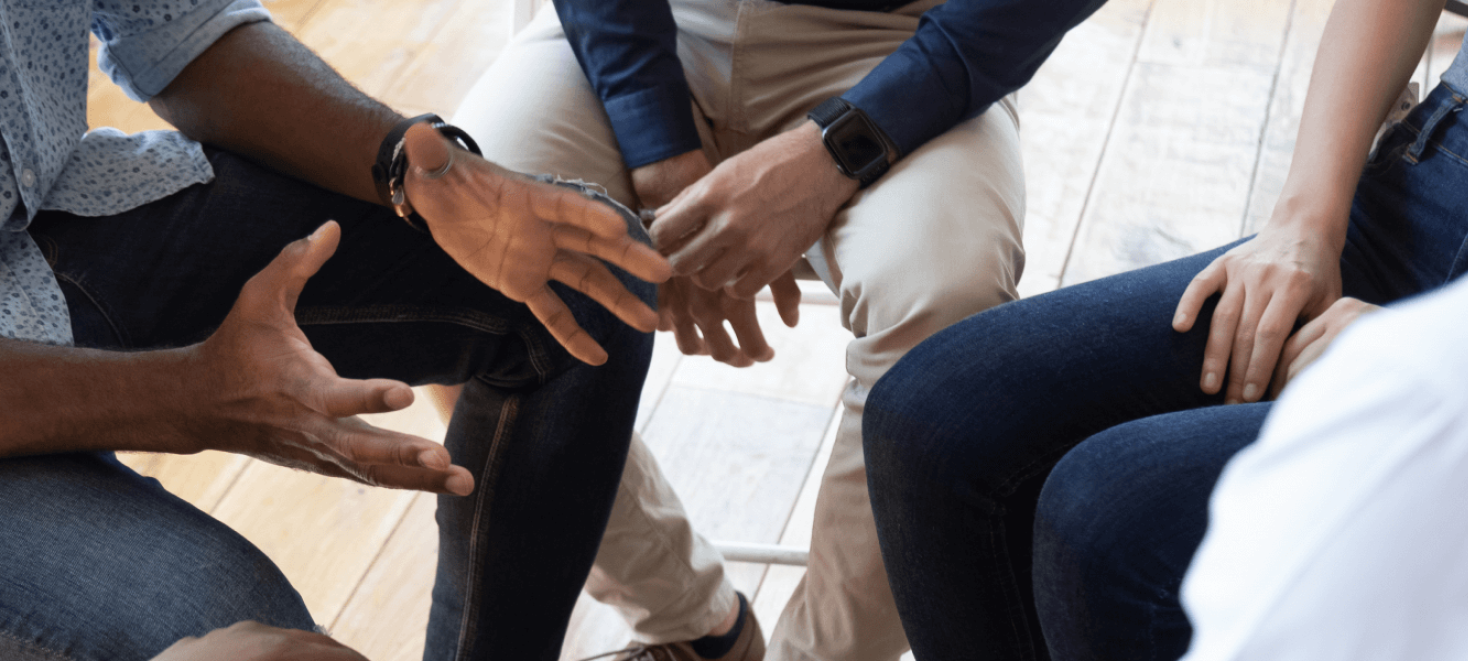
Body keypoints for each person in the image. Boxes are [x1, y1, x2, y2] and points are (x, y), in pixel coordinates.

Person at [0, 0, 675, 657]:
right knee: (242, 632)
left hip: (41, 214)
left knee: (583, 273)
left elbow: (181, 29)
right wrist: (196, 398)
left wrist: (418, 166)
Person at [860, 0, 1468, 657]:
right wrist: (1305, 221)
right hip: (1449, 161)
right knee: (934, 418)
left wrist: (1446, 348)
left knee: (1113, 522)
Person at [449, 0, 1104, 656]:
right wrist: (659, 146)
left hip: (902, 45)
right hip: (649, 23)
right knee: (447, 250)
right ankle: (692, 626)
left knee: (947, 305)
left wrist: (839, 148)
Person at [1179, 39, 1468, 661]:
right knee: (969, 406)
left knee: (1107, 519)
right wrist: (1304, 220)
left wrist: (1426, 344)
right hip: (1449, 147)